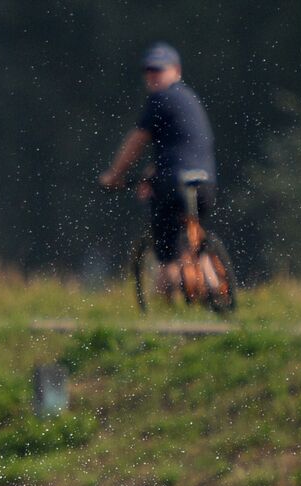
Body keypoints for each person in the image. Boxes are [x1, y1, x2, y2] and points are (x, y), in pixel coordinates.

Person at [99, 42, 217, 298]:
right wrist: (152, 174)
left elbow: (136, 142)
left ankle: (164, 305)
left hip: (174, 184)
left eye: (159, 70)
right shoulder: (189, 99)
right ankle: (214, 287)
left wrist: (114, 175)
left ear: (176, 71)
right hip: (206, 182)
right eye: (149, 71)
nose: (153, 76)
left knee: (167, 252)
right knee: (195, 238)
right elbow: (179, 148)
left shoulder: (160, 100)